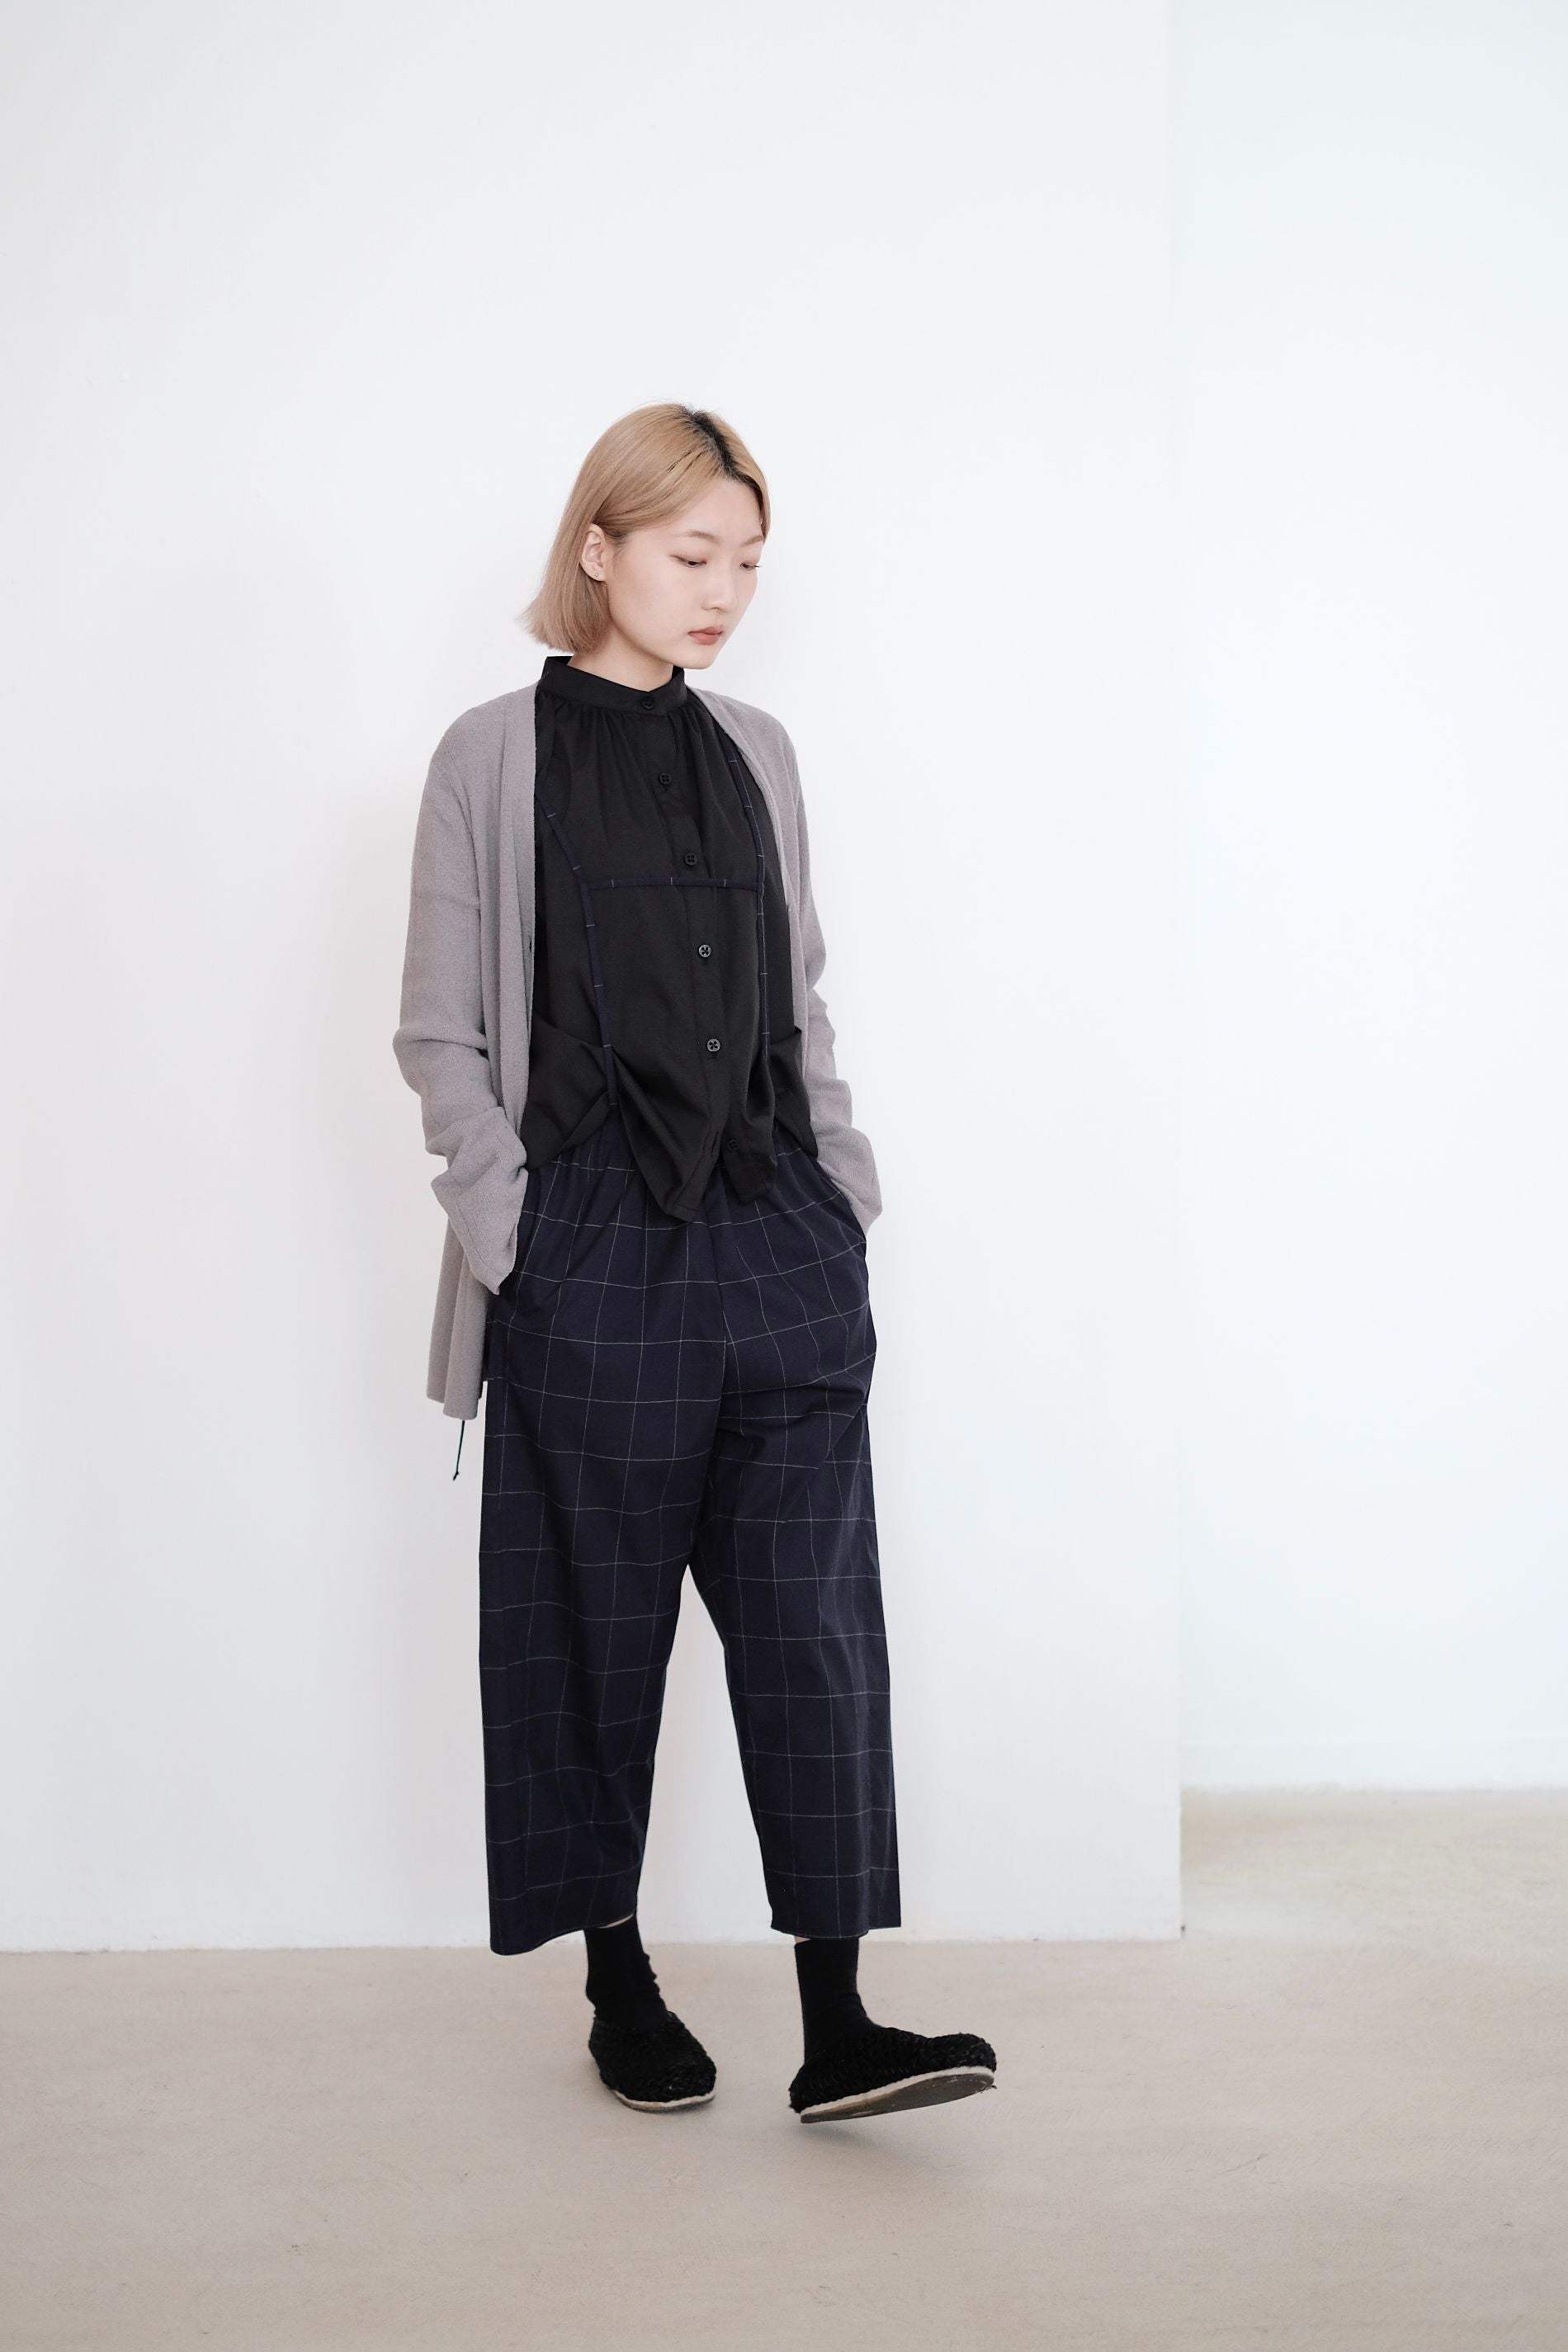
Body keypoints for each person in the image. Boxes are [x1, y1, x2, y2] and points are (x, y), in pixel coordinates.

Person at [394, 404, 997, 2123]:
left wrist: (837, 1198)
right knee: (595, 1644)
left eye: (745, 561)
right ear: (598, 549)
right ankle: (618, 1981)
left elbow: (798, 1000)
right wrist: (521, 1238)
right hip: (591, 1255)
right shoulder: (488, 759)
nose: (725, 590)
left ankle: (838, 2023)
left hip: (774, 1244)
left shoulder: (760, 752)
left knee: (814, 1633)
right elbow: (440, 1036)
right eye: (690, 554)